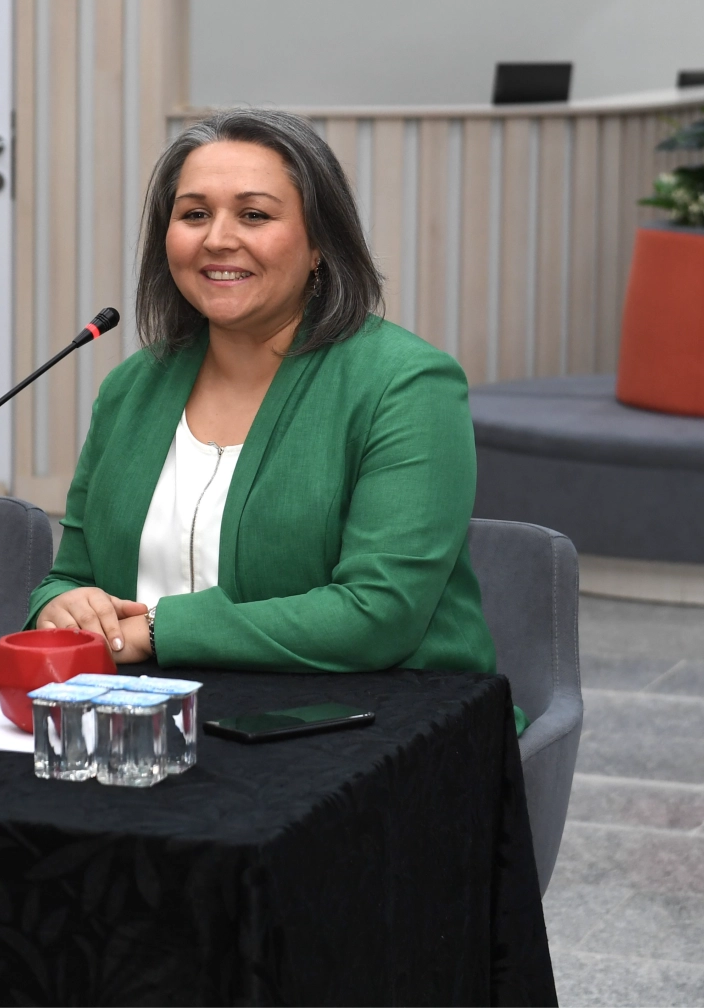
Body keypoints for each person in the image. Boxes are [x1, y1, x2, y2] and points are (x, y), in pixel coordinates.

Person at [28, 109, 514, 724]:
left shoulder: (407, 384)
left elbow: (379, 614)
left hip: (380, 726)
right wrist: (62, 607)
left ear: (319, 245)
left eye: (254, 215)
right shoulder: (132, 388)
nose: (217, 239)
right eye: (194, 214)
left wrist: (153, 630)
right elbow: (70, 575)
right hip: (148, 722)